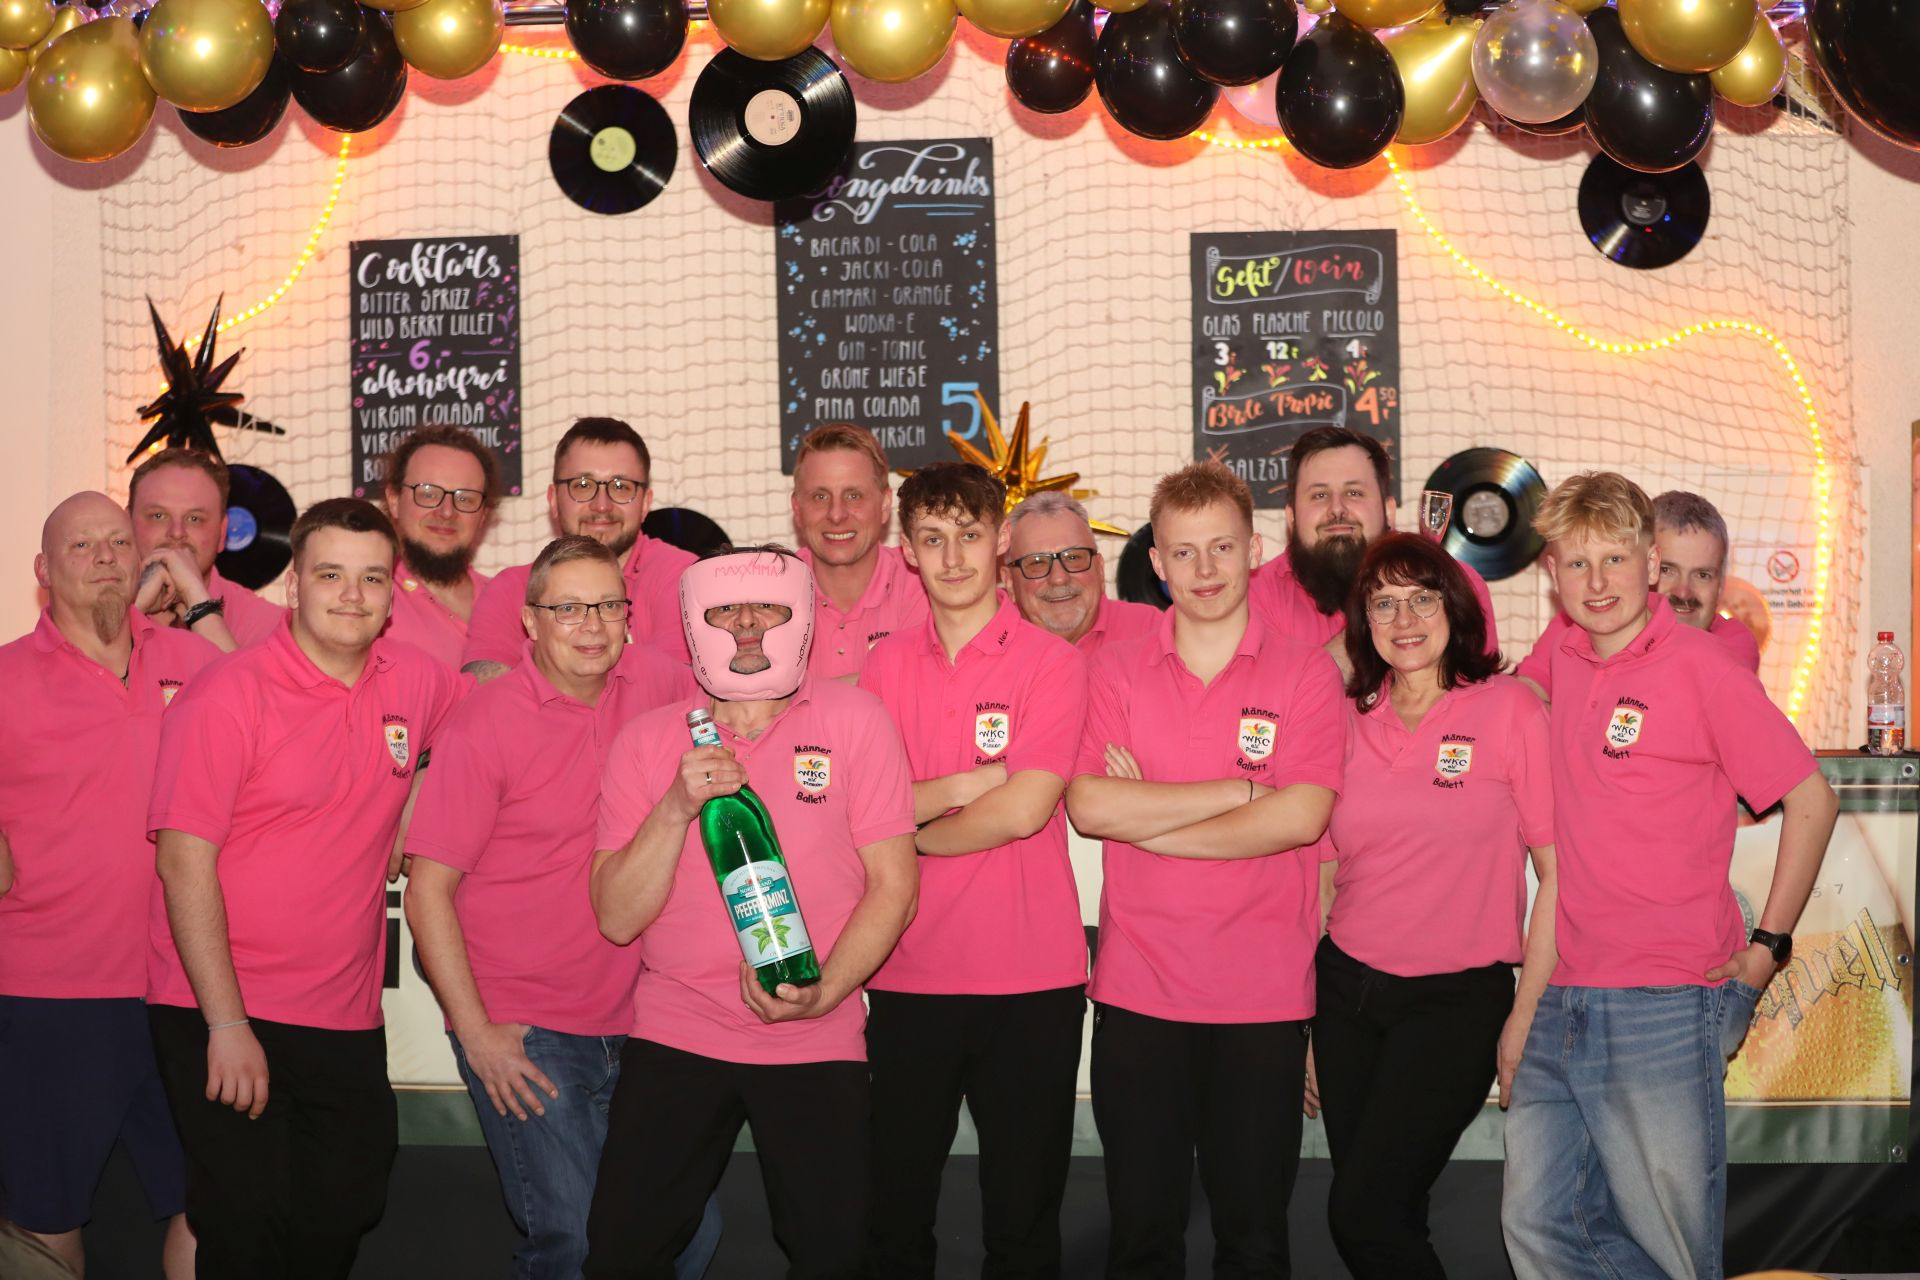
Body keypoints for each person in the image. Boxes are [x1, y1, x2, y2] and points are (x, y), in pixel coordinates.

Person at [1501, 473, 1839, 1280]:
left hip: (1666, 997)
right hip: (1564, 993)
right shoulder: (1564, 657)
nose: (1597, 582)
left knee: (1672, 1247)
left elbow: (1813, 799)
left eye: (1614, 560)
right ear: (1552, 573)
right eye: (1577, 564)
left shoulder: (1703, 667)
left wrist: (1767, 950)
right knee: (1540, 1226)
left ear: (1651, 564)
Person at [146, 498, 463, 1280]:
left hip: (343, 1014)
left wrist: (417, 799)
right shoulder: (226, 695)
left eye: (372, 578)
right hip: (223, 1007)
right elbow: (183, 864)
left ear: (391, 595)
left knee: (347, 1205)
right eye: (330, 575)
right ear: (294, 586)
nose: (352, 595)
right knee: (244, 1228)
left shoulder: (418, 681)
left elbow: (477, 728)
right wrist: (226, 1025)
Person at [583, 547, 917, 1280]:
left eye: (766, 606)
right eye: (725, 609)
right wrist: (675, 807)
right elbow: (615, 917)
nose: (746, 625)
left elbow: (895, 886)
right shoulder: (647, 740)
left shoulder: (857, 720)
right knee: (620, 1253)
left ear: (802, 615)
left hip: (817, 1037)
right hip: (678, 1030)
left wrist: (823, 993)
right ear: (691, 621)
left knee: (833, 1257)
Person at [405, 535, 718, 1280]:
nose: (592, 625)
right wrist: (477, 1035)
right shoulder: (485, 722)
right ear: (530, 621)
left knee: (688, 1233)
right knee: (573, 1244)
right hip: (529, 1030)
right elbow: (427, 891)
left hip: (644, 1024)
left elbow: (759, 697)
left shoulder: (663, 686)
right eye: (568, 608)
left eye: (608, 605)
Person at [1065, 462, 1345, 1279]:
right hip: (1138, 996)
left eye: (1222, 547)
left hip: (1262, 1000)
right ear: (1156, 563)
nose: (1205, 569)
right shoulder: (1114, 670)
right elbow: (1091, 806)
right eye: (1184, 553)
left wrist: (1152, 819)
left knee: (1253, 1244)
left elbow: (1301, 818)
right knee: (1141, 1243)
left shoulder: (1305, 672)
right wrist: (1236, 791)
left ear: (1254, 550)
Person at [859, 464, 1090, 1278]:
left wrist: (907, 832)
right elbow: (862, 808)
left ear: (1001, 540)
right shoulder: (883, 668)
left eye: (967, 535)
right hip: (905, 972)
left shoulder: (1052, 662)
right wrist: (963, 786)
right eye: (932, 538)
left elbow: (1024, 809)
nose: (952, 557)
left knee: (1023, 1228)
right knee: (893, 1220)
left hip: (1031, 983)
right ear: (907, 550)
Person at [1312, 533, 1556, 1280]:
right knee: (1390, 1215)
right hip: (1345, 995)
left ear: (1454, 606)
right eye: (1384, 603)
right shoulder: (1344, 717)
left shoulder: (1510, 710)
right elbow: (1323, 882)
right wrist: (1304, 1020)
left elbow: (1558, 876)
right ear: (1363, 622)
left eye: (1422, 598)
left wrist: (1524, 1015)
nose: (1405, 619)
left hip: (1456, 1004)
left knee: (1362, 1212)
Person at [0, 492, 219, 1280]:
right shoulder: (4, 678)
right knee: (43, 1217)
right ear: (43, 570)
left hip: (190, 989)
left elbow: (280, 735)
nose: (103, 557)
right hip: (50, 995)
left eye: (119, 542)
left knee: (214, 1205)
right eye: (81, 545)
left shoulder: (196, 662)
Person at [463, 418, 694, 680]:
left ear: (645, 503)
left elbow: (676, 692)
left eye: (621, 487)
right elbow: (486, 696)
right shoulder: (510, 590)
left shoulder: (684, 579)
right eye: (583, 485)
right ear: (553, 500)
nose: (602, 505)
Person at [1252, 426, 1498, 661]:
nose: (1336, 509)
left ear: (1389, 511)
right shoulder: (1257, 596)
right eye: (1319, 495)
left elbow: (1481, 686)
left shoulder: (1457, 584)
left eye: (1354, 493)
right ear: (1291, 517)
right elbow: (1272, 692)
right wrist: (1376, 620)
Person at [1515, 488, 1759, 697]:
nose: (1684, 592)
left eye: (1702, 575)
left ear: (1721, 584)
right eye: (1667, 570)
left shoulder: (1730, 646)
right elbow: (1526, 692)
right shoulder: (1578, 625)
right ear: (1648, 566)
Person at [790, 423, 929, 680]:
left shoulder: (924, 584)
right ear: (797, 509)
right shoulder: (770, 593)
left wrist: (800, 696)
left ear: (885, 505)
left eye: (854, 496)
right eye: (820, 497)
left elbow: (924, 688)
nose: (836, 515)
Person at [128, 446, 288, 649]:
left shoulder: (269, 626)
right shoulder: (92, 603)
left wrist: (196, 600)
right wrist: (133, 611)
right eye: (158, 516)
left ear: (223, 532)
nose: (176, 532)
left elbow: (239, 673)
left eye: (194, 518)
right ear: (126, 524)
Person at [381, 425, 499, 669]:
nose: (446, 512)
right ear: (394, 500)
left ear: (483, 515)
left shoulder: (506, 601)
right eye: (428, 494)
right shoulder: (370, 597)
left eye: (465, 498)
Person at [1002, 490, 1159, 660]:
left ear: (1100, 569)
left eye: (1073, 558)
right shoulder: (988, 652)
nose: (1059, 578)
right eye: (1037, 562)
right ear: (1009, 582)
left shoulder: (1152, 632)